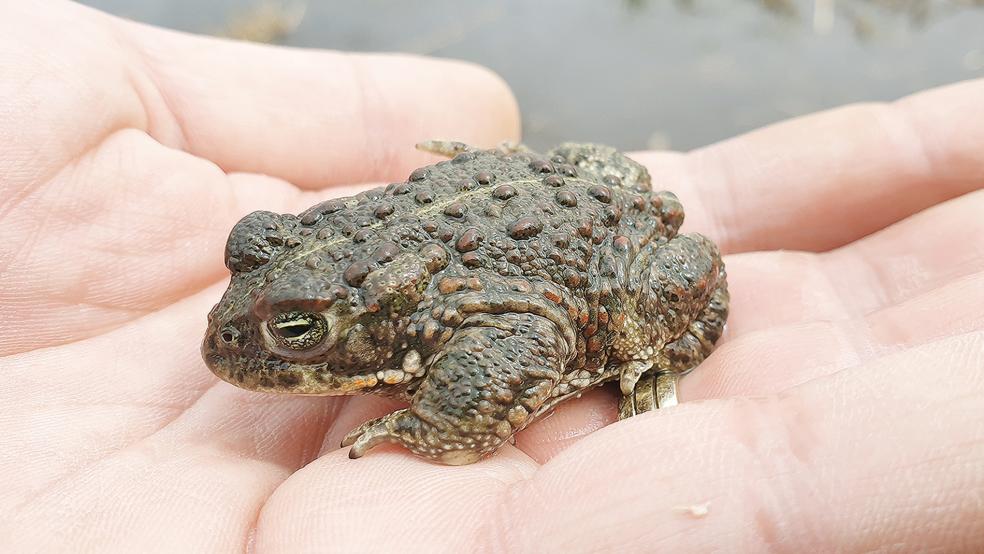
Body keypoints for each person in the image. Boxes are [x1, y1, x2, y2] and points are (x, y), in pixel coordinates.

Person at [2, 2, 981, 551]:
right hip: (525, 195)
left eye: (295, 332)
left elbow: (526, 335)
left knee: (645, 301)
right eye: (257, 268)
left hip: (607, 244)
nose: (241, 329)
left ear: (374, 325)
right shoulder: (360, 275)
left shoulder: (442, 321)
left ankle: (649, 350)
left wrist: (444, 421)